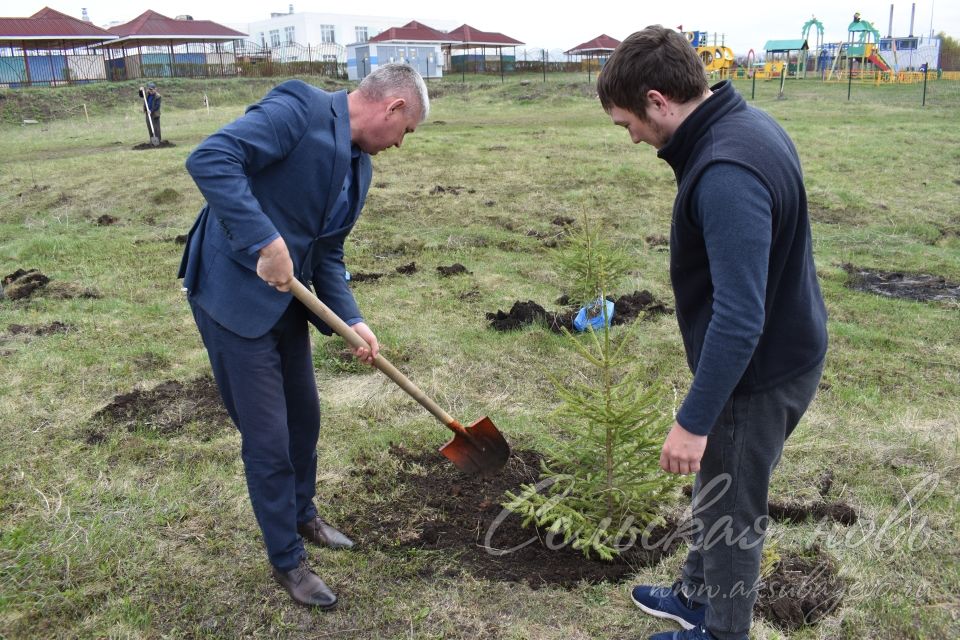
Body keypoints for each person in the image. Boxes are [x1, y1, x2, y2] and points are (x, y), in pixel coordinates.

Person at [597, 26, 827, 640]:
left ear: (657, 101)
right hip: (787, 349)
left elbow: (739, 315)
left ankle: (720, 630)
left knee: (732, 509)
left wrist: (693, 420)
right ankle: (696, 594)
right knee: (719, 484)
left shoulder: (725, 169)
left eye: (629, 125)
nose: (634, 139)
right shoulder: (747, 123)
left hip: (757, 372)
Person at [177, 63, 429, 608]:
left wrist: (352, 321)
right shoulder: (298, 109)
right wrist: (264, 240)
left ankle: (302, 513)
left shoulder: (360, 169)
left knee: (304, 418)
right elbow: (211, 159)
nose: (400, 145)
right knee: (268, 438)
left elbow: (327, 254)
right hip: (233, 296)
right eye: (406, 133)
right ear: (395, 109)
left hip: (286, 301)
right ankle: (287, 559)